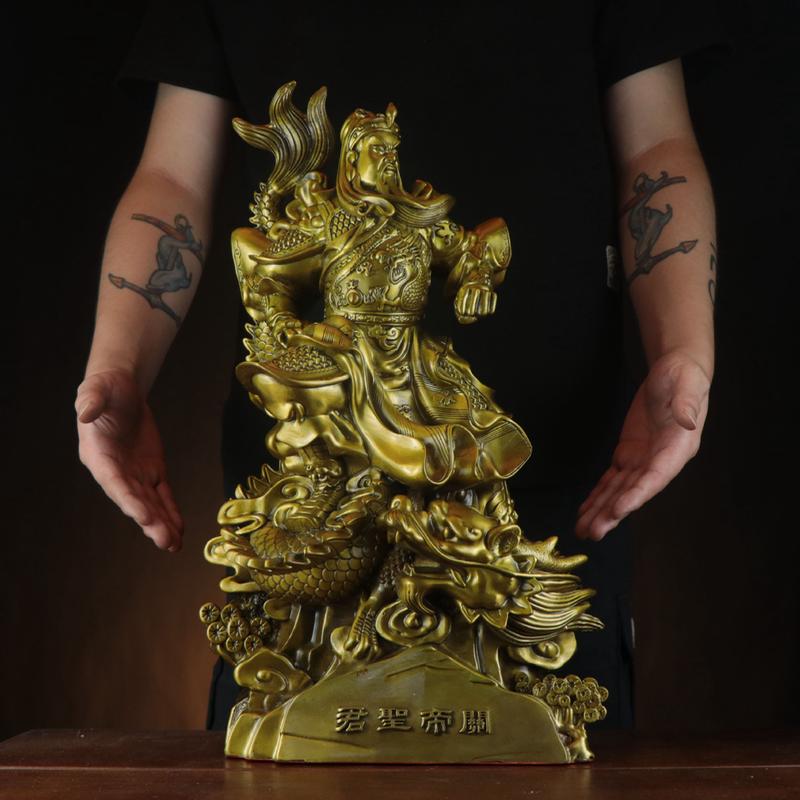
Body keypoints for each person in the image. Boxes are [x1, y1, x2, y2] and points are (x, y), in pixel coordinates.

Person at [75, 1, 728, 729]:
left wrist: (681, 351)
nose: (382, 165)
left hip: (555, 478)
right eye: (371, 154)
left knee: (550, 728)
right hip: (325, 440)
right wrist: (121, 365)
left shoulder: (422, 221)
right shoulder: (328, 223)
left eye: (387, 155)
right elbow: (176, 181)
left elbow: (654, 149)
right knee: (293, 726)